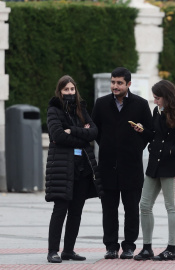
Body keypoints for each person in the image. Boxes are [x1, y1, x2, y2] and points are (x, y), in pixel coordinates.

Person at [133, 80, 175, 261]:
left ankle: (171, 249)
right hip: (154, 164)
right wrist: (142, 131)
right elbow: (155, 135)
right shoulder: (157, 111)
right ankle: (147, 248)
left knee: (171, 206)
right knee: (145, 205)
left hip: (171, 165)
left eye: (157, 98)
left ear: (167, 97)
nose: (155, 101)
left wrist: (172, 150)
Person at [91, 67, 153, 259]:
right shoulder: (101, 104)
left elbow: (150, 133)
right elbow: (95, 131)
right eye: (113, 82)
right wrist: (109, 146)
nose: (115, 86)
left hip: (131, 166)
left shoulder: (141, 105)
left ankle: (129, 246)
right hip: (107, 166)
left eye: (119, 83)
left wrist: (136, 145)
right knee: (109, 209)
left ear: (128, 84)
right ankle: (111, 246)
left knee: (131, 209)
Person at [45, 75, 104, 263]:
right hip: (63, 168)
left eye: (72, 89)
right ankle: (52, 251)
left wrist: (73, 130)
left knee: (76, 211)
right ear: (60, 91)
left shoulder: (81, 109)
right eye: (66, 90)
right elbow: (58, 135)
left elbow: (94, 132)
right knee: (60, 209)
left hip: (83, 169)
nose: (70, 93)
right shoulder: (54, 110)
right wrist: (82, 135)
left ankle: (68, 250)